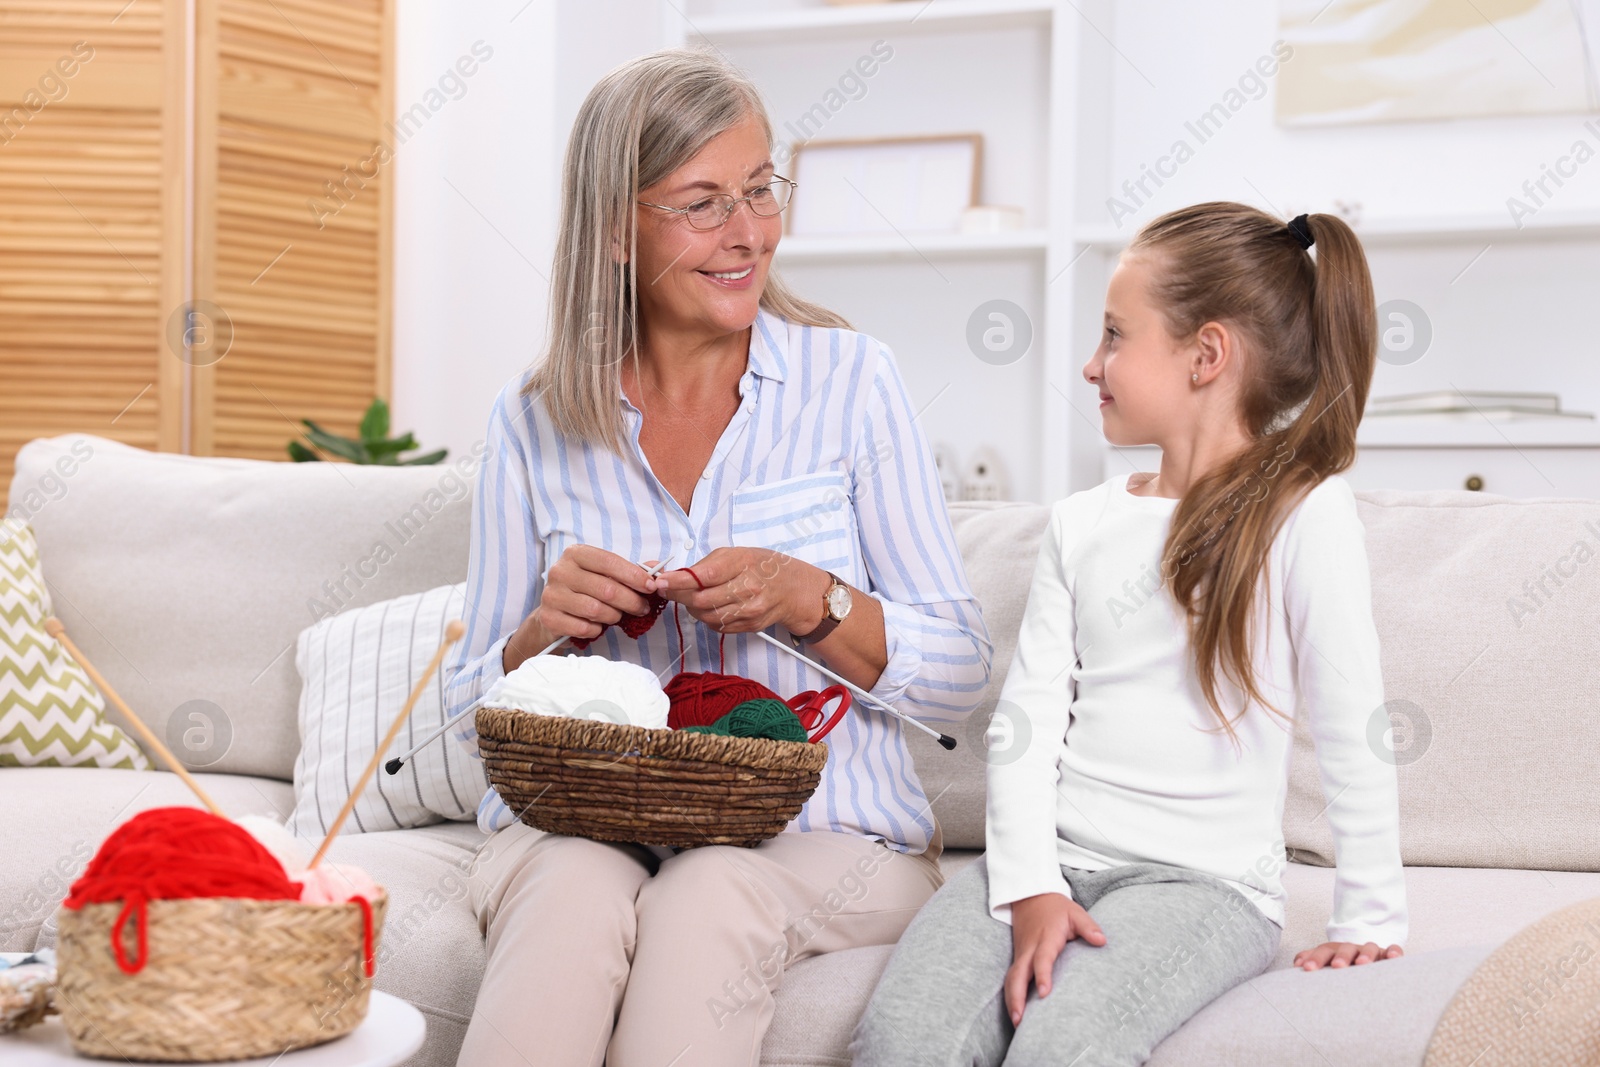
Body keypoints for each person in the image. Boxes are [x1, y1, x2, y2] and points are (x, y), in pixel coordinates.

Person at [441, 47, 992, 1067]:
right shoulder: (530, 426)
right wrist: (537, 638)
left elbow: (960, 676)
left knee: (709, 887)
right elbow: (464, 723)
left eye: (759, 188)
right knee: (569, 888)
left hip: (832, 837)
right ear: (615, 227)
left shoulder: (852, 382)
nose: (749, 233)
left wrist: (811, 598)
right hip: (587, 823)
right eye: (701, 203)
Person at [851, 202, 1409, 1066]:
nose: (1089, 363)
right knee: (900, 1039)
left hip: (1204, 887)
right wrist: (1032, 883)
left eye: (1115, 335)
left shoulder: (1304, 515)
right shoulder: (1082, 523)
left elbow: (1353, 723)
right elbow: (1025, 728)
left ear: (1207, 354)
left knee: (1060, 1050)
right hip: (1055, 857)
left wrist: (1369, 915)